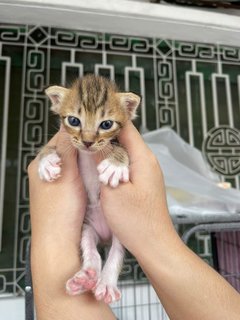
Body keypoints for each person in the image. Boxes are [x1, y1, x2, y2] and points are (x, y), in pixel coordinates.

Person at [28, 121, 240, 320]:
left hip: (109, 215)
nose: (88, 135)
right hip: (91, 217)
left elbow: (121, 154)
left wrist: (53, 241)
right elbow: (49, 152)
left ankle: (108, 279)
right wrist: (47, 158)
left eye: (104, 123)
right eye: (76, 121)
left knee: (119, 242)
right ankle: (91, 270)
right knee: (89, 239)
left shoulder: (113, 145)